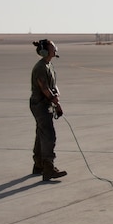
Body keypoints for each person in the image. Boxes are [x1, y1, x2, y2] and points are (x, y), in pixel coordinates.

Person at [30, 39, 67, 181]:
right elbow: (45, 89)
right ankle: (48, 169)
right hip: (40, 104)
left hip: (45, 103)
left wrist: (56, 94)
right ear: (45, 51)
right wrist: (56, 104)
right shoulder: (40, 67)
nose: (55, 49)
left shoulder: (48, 65)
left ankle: (39, 165)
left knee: (41, 134)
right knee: (49, 136)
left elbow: (53, 85)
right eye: (52, 47)